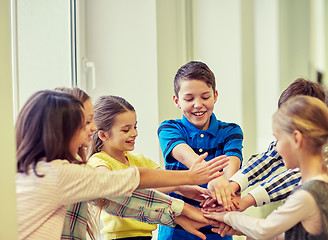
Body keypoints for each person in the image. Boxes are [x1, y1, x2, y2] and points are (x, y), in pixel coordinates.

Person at [15, 90, 228, 240]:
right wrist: (190, 179)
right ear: (60, 130)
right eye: (85, 124)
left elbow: (118, 199)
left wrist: (179, 212)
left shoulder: (37, 170)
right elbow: (129, 183)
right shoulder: (58, 173)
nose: (91, 129)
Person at [87, 95, 229, 240]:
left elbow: (160, 183)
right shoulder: (98, 162)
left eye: (135, 127)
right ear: (103, 135)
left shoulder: (140, 160)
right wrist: (189, 178)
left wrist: (181, 187)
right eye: (126, 130)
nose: (134, 133)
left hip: (146, 236)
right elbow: (115, 188)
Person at [204, 95, 328, 239]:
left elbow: (264, 229)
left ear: (296, 139)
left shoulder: (308, 194)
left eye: (278, 140)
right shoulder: (317, 183)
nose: (276, 149)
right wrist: (243, 228)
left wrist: (228, 216)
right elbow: (289, 234)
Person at [157, 61, 243, 240]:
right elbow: (185, 154)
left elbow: (232, 165)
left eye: (205, 97)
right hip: (176, 229)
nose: (198, 104)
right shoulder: (169, 128)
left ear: (215, 96)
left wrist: (225, 185)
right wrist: (216, 178)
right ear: (177, 101)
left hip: (218, 230)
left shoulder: (230, 131)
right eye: (189, 99)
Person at [218, 79, 327, 211]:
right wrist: (232, 185)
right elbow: (269, 157)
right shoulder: (289, 137)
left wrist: (247, 200)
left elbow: (295, 177)